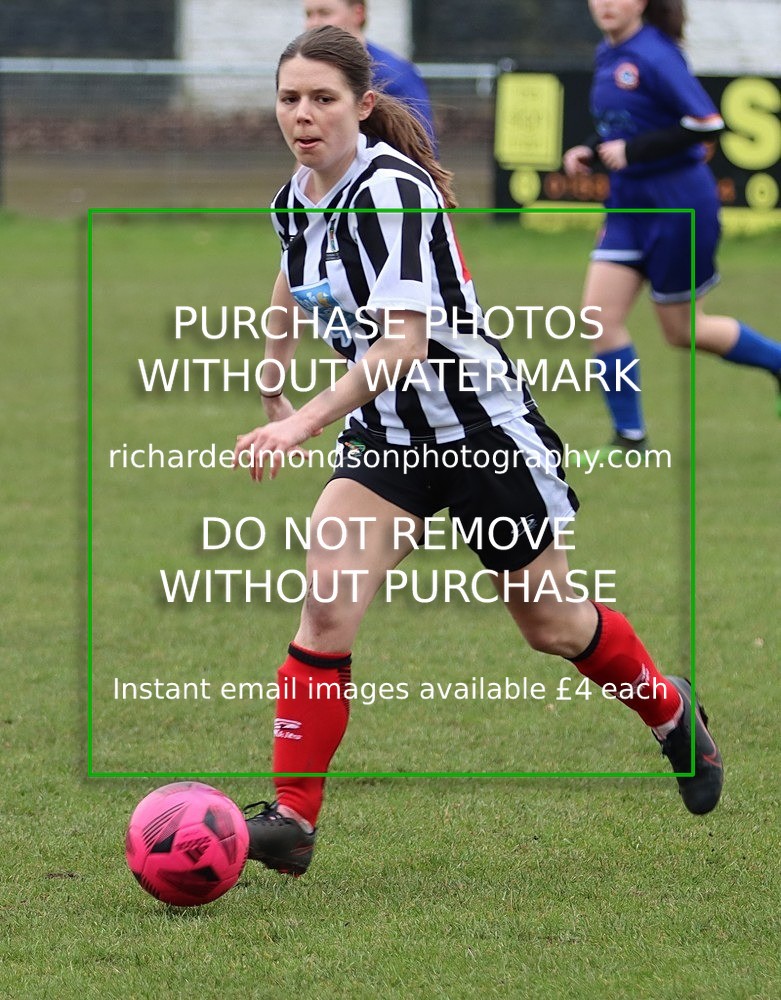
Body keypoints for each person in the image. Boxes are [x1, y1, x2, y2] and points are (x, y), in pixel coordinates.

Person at [234, 25, 723, 878]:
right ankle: (291, 818)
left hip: (482, 437)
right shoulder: (297, 194)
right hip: (388, 437)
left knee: (552, 625)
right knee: (324, 605)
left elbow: (398, 350)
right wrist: (273, 357)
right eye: (289, 99)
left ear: (364, 106)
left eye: (323, 99)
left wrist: (299, 420)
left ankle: (670, 711)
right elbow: (292, 261)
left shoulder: (392, 190)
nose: (303, 116)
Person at [563, 0, 781, 452]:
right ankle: (630, 436)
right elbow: (621, 123)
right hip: (628, 205)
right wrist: (588, 148)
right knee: (598, 318)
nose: (605, 4)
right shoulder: (607, 52)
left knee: (683, 332)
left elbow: (707, 123)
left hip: (678, 205)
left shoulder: (656, 55)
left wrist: (634, 151)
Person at [303, 0, 436, 145]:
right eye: (309, 14)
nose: (313, 23)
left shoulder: (393, 75)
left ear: (358, 13)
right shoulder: (314, 68)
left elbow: (421, 148)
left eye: (325, 13)